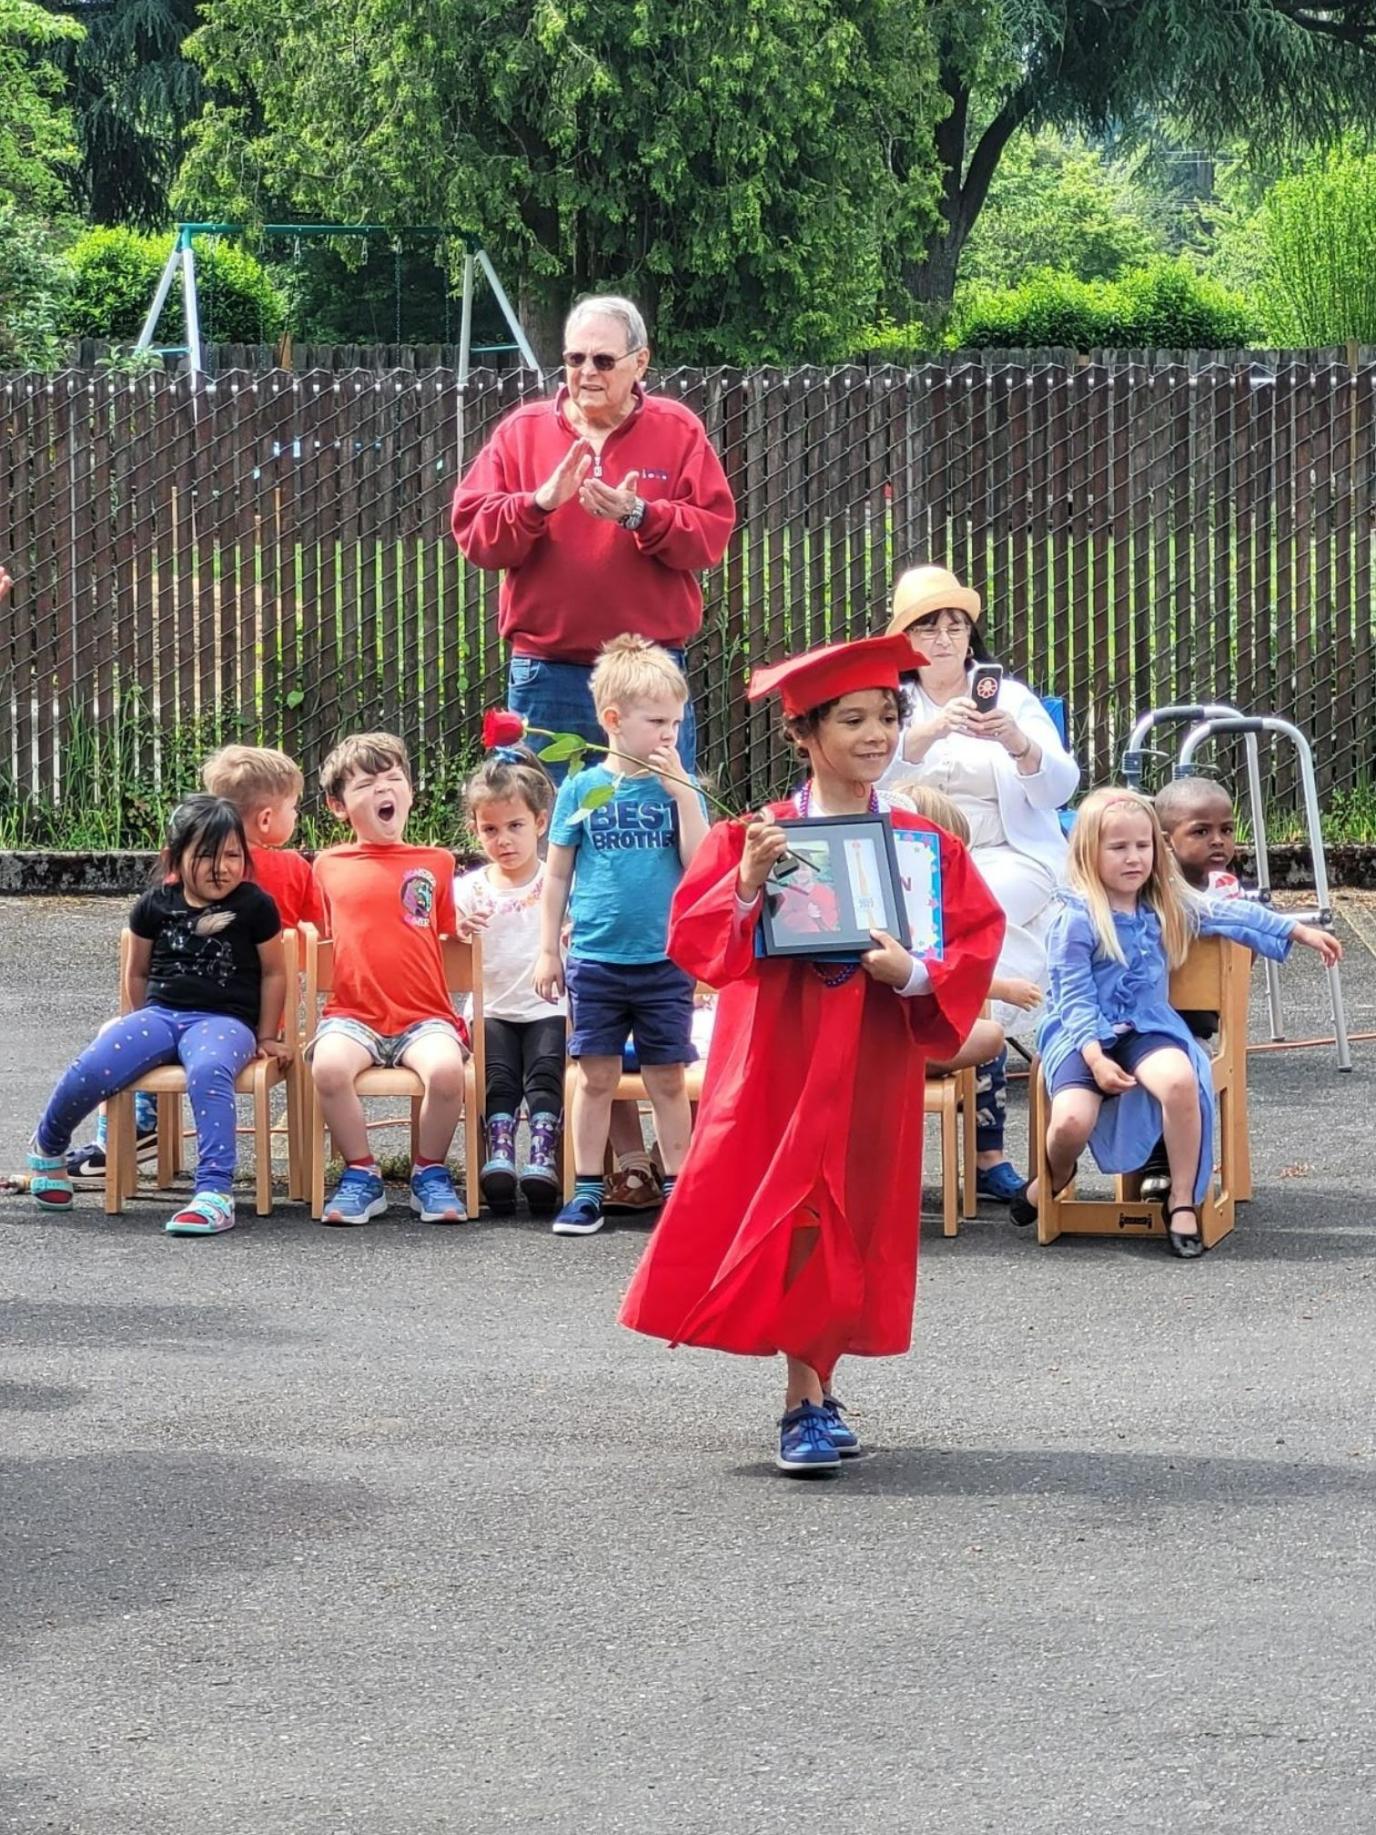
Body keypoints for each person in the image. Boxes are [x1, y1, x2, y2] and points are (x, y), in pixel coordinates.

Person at [618, 633, 1003, 1477]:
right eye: (854, 718)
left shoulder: (919, 844)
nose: (876, 734)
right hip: (781, 1059)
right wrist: (750, 882)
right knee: (795, 1212)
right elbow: (697, 942)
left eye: (889, 716)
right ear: (804, 734)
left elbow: (971, 942)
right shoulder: (755, 837)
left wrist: (911, 975)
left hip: (870, 1058)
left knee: (852, 1214)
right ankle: (803, 1402)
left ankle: (819, 1391)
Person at [1012, 788, 1341, 1257]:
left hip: (1146, 1027)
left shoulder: (1164, 903)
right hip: (1082, 1035)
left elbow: (1228, 911)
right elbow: (1075, 999)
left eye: (1142, 847)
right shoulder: (1076, 918)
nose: (1133, 859)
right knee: (1069, 1123)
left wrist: (1296, 929)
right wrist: (1094, 1059)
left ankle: (1181, 1199)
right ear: (1090, 852)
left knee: (1180, 1080)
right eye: (1118, 848)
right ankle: (1057, 1172)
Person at [450, 294, 736, 778]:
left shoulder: (678, 429)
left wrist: (643, 515)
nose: (587, 372)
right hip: (548, 673)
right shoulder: (522, 432)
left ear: (639, 362)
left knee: (655, 824)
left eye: (603, 360)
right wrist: (537, 504)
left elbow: (709, 536)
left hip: (647, 673)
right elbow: (476, 535)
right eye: (574, 359)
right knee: (538, 828)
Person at [883, 563, 1080, 1204]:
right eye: (928, 627)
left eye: (955, 626)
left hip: (1003, 852)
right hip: (909, 858)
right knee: (939, 932)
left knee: (972, 920)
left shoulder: (1008, 696)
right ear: (906, 638)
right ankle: (959, 1135)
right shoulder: (888, 699)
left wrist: (1018, 741)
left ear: (971, 636)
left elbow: (1060, 787)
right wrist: (925, 734)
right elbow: (861, 778)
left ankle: (988, 1148)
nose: (942, 639)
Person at [26, 795, 289, 1235]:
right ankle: (48, 1148)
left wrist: (266, 1034)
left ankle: (214, 1192)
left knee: (208, 1072)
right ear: (174, 857)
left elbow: (275, 972)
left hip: (225, 1023)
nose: (221, 868)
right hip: (161, 1014)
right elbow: (139, 971)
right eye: (206, 855)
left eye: (233, 855)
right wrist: (138, 1028)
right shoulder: (153, 905)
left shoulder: (255, 906)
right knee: (95, 1064)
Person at [535, 636, 708, 1237]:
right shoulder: (582, 789)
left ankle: (680, 1188)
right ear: (613, 720)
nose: (670, 734)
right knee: (597, 1076)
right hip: (596, 958)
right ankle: (586, 1188)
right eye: (657, 721)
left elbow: (698, 860)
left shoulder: (679, 790)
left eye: (677, 722)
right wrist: (546, 948)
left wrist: (683, 792)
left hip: (664, 959)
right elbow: (556, 873)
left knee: (667, 1077)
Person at [310, 733, 470, 1227]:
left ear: (409, 793)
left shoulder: (438, 861)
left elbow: (448, 930)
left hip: (425, 1016)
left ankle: (430, 1172)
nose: (386, 788)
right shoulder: (327, 864)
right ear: (339, 806)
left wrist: (466, 922)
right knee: (329, 1070)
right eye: (368, 783)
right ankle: (361, 1173)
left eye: (395, 778)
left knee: (446, 1073)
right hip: (352, 1014)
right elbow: (319, 938)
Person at [454, 750, 565, 1213]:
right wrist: (460, 930)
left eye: (515, 826)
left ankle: (543, 1154)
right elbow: (447, 942)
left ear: (540, 823)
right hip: (492, 1006)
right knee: (497, 1079)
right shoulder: (469, 888)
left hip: (547, 1006)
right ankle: (500, 1154)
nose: (504, 840)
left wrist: (568, 931)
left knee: (544, 1075)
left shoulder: (557, 883)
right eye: (491, 830)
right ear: (475, 832)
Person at [201, 743, 326, 930]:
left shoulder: (192, 865)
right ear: (265, 820)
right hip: (277, 959)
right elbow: (321, 935)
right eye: (292, 808)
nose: (295, 815)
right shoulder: (294, 868)